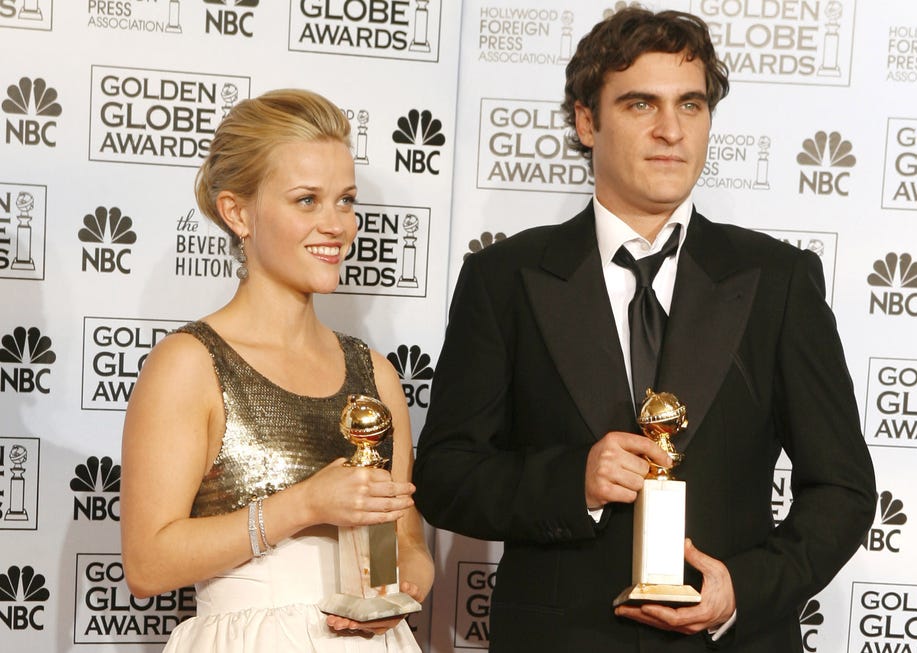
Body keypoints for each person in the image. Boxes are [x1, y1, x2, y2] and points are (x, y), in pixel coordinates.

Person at [413, 8, 876, 652]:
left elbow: (844, 488)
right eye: (640, 105)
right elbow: (445, 476)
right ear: (585, 120)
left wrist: (743, 587)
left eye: (691, 105)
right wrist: (572, 481)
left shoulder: (777, 280)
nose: (670, 131)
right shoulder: (504, 279)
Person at [120, 89, 432, 652]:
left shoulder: (376, 375)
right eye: (306, 201)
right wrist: (306, 504)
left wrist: (398, 586)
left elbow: (405, 542)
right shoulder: (190, 364)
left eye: (345, 200)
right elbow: (147, 563)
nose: (336, 224)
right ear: (237, 212)